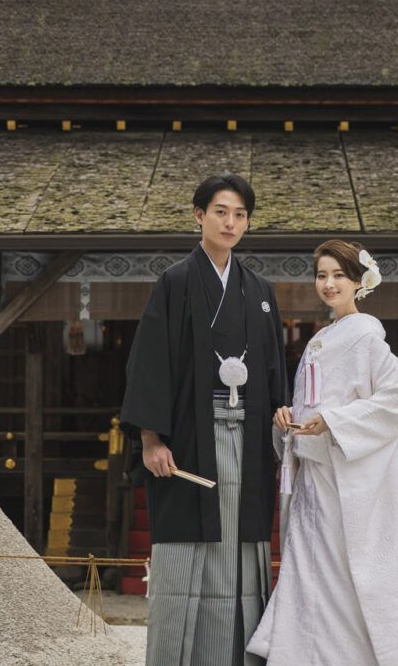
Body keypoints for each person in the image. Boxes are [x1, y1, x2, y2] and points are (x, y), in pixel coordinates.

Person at [247, 239, 398, 666]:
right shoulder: (324, 337)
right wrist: (288, 419)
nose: (329, 283)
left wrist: (333, 421)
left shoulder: (366, 335)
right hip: (315, 478)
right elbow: (310, 406)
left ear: (358, 281)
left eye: (339, 275)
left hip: (345, 481)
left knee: (346, 576)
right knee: (312, 574)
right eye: (322, 275)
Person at [121, 173, 288, 666]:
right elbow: (150, 363)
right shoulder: (174, 282)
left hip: (251, 437)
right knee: (190, 552)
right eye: (220, 211)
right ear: (199, 215)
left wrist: (283, 426)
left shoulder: (258, 289)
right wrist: (151, 440)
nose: (230, 222)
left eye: (239, 214)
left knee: (242, 550)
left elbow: (276, 368)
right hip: (193, 439)